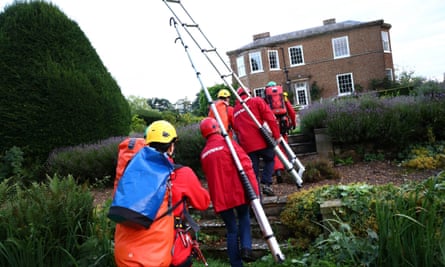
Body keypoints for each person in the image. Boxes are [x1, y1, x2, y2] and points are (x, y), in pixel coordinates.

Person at [113, 120, 211, 267]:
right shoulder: (181, 173)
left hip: (127, 252)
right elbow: (203, 202)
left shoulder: (131, 174)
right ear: (171, 147)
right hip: (167, 249)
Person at [199, 117, 259, 267]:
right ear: (218, 128)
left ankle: (236, 264)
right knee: (244, 217)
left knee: (231, 229)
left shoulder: (204, 153)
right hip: (237, 192)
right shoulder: (229, 144)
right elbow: (246, 165)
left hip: (220, 197)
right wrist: (254, 192)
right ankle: (246, 248)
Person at [232, 87, 281, 197]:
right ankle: (267, 183)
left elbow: (236, 128)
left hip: (247, 146)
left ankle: (256, 194)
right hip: (262, 141)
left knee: (253, 171)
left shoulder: (235, 110)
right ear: (249, 93)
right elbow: (270, 118)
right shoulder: (256, 101)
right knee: (270, 159)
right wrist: (277, 135)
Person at [265, 82, 297, 183]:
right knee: (283, 147)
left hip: (272, 125)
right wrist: (293, 122)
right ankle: (284, 168)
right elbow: (291, 111)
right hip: (283, 124)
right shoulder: (283, 97)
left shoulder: (266, 99)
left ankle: (278, 170)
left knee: (275, 149)